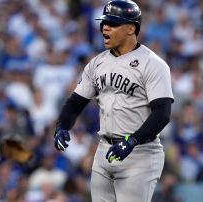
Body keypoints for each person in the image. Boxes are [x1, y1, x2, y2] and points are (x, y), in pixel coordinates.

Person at [53, 1, 174, 201]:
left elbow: (162, 113)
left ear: (131, 28)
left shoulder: (153, 64)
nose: (105, 28)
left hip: (140, 152)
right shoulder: (97, 63)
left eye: (113, 23)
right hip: (104, 150)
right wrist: (62, 126)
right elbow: (75, 102)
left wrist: (132, 141)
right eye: (104, 23)